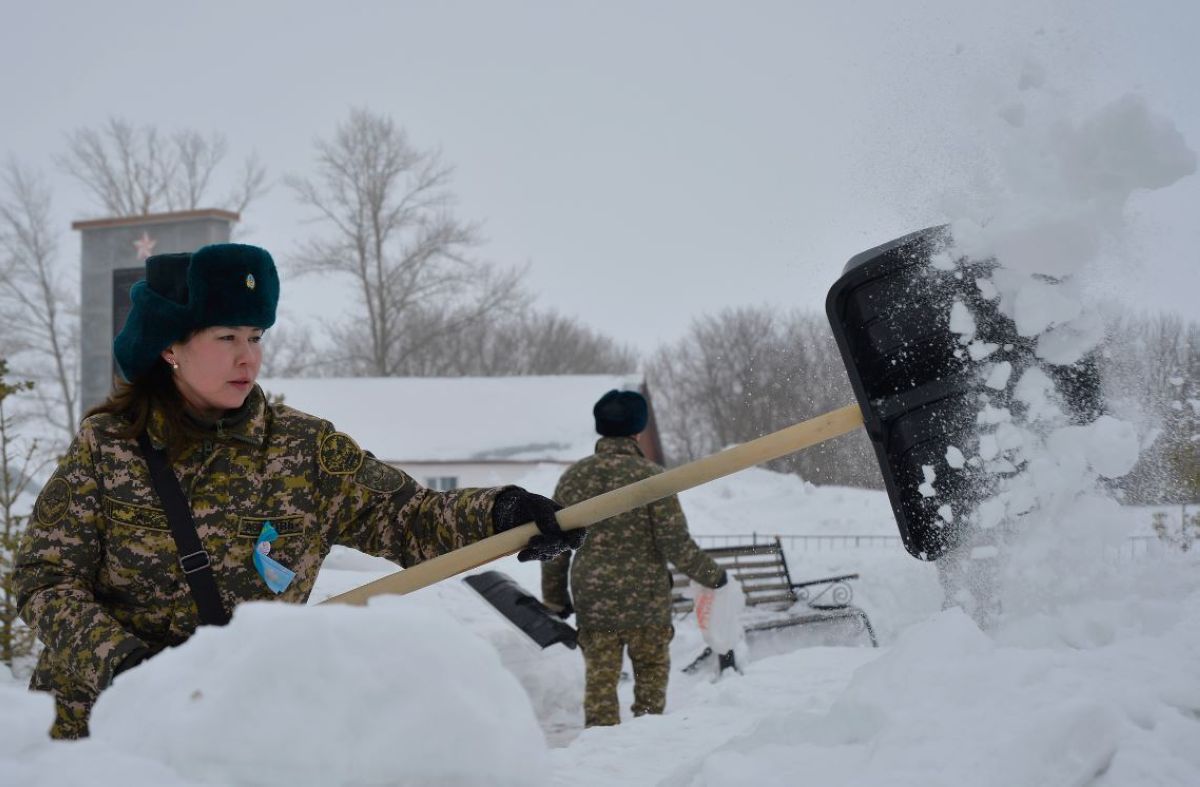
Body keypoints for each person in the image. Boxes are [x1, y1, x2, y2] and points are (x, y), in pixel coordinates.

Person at [14, 243, 579, 740]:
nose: (249, 357)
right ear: (171, 347)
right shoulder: (111, 445)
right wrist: (130, 667)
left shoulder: (303, 449)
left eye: (256, 336)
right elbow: (45, 580)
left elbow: (409, 517)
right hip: (103, 728)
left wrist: (503, 513)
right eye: (227, 336)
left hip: (237, 732)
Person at [541, 389, 727, 727]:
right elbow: (674, 542)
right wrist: (714, 576)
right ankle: (647, 750)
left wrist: (555, 599)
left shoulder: (574, 478)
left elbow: (554, 544)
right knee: (651, 682)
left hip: (594, 603)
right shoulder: (652, 477)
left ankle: (600, 757)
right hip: (647, 604)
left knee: (600, 684)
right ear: (638, 431)